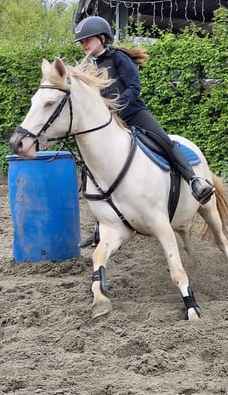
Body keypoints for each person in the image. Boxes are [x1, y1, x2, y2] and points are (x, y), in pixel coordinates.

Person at [73, 16, 215, 247]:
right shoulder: (87, 66)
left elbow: (134, 86)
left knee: (165, 142)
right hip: (108, 123)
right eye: (81, 42)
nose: (84, 45)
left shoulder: (118, 58)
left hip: (133, 114)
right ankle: (101, 226)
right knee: (95, 164)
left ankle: (195, 181)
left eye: (87, 40)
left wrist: (119, 103)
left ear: (101, 38)